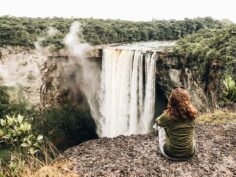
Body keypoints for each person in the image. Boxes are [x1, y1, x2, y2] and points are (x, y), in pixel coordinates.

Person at [154, 87, 198, 160]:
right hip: (190, 154)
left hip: (170, 154)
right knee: (190, 130)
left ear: (172, 101)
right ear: (187, 100)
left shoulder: (167, 116)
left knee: (160, 126)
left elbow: (157, 122)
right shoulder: (193, 114)